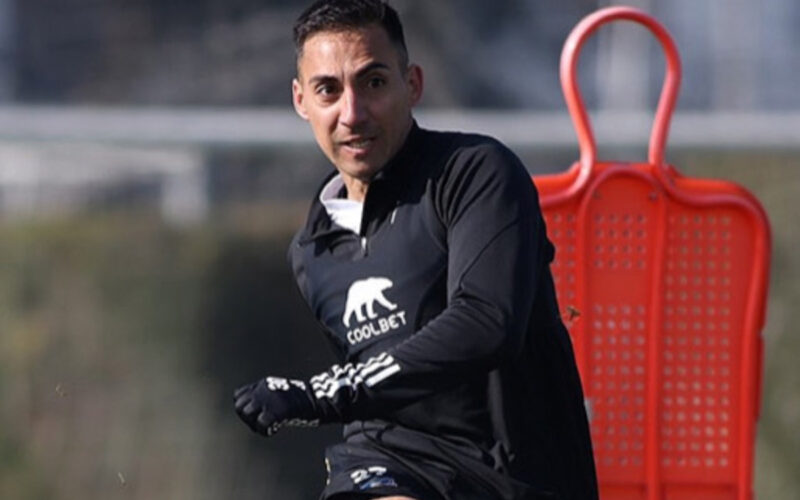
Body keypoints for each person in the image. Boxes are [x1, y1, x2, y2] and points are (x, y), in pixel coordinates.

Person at [233, 1, 598, 498]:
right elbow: (371, 385)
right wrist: (342, 393)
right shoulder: (311, 251)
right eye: (328, 90)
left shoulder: (476, 174)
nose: (352, 113)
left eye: (374, 83)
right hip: (387, 461)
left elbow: (486, 322)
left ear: (413, 85)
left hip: (516, 480)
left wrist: (326, 392)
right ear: (301, 101)